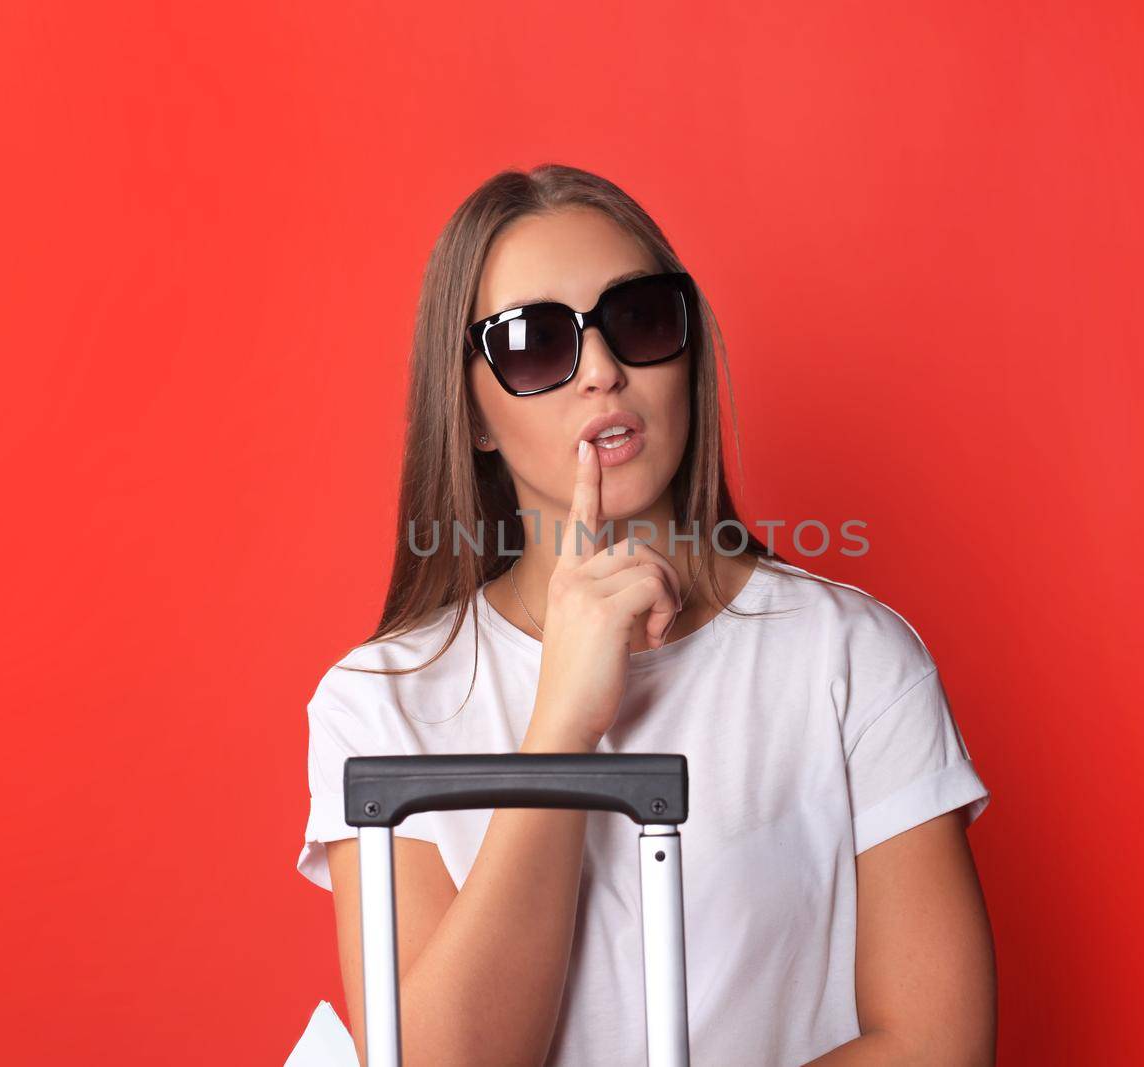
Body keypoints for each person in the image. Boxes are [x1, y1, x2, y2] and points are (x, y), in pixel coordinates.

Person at [298, 163, 997, 1066]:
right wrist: (561, 728)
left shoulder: (849, 658)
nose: (603, 370)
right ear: (471, 410)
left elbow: (939, 1046)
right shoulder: (380, 703)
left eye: (639, 319)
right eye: (534, 343)